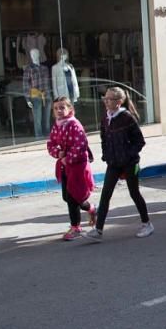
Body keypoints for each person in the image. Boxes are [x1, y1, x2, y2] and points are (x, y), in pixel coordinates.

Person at [85, 87, 153, 240]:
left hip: (130, 162)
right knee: (105, 195)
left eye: (109, 99)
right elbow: (104, 138)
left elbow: (139, 141)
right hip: (113, 162)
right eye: (105, 98)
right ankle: (98, 230)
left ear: (119, 102)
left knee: (134, 193)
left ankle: (147, 224)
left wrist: (128, 155)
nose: (106, 101)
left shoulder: (127, 117)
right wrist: (106, 155)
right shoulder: (106, 118)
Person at [47, 96, 96, 241]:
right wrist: (58, 153)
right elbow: (51, 144)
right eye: (56, 108)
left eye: (62, 107)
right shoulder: (57, 125)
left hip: (77, 166)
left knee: (72, 197)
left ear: (70, 109)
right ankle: (91, 208)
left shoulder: (75, 125)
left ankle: (76, 227)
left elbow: (80, 146)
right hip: (64, 166)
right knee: (68, 197)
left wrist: (67, 158)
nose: (59, 111)